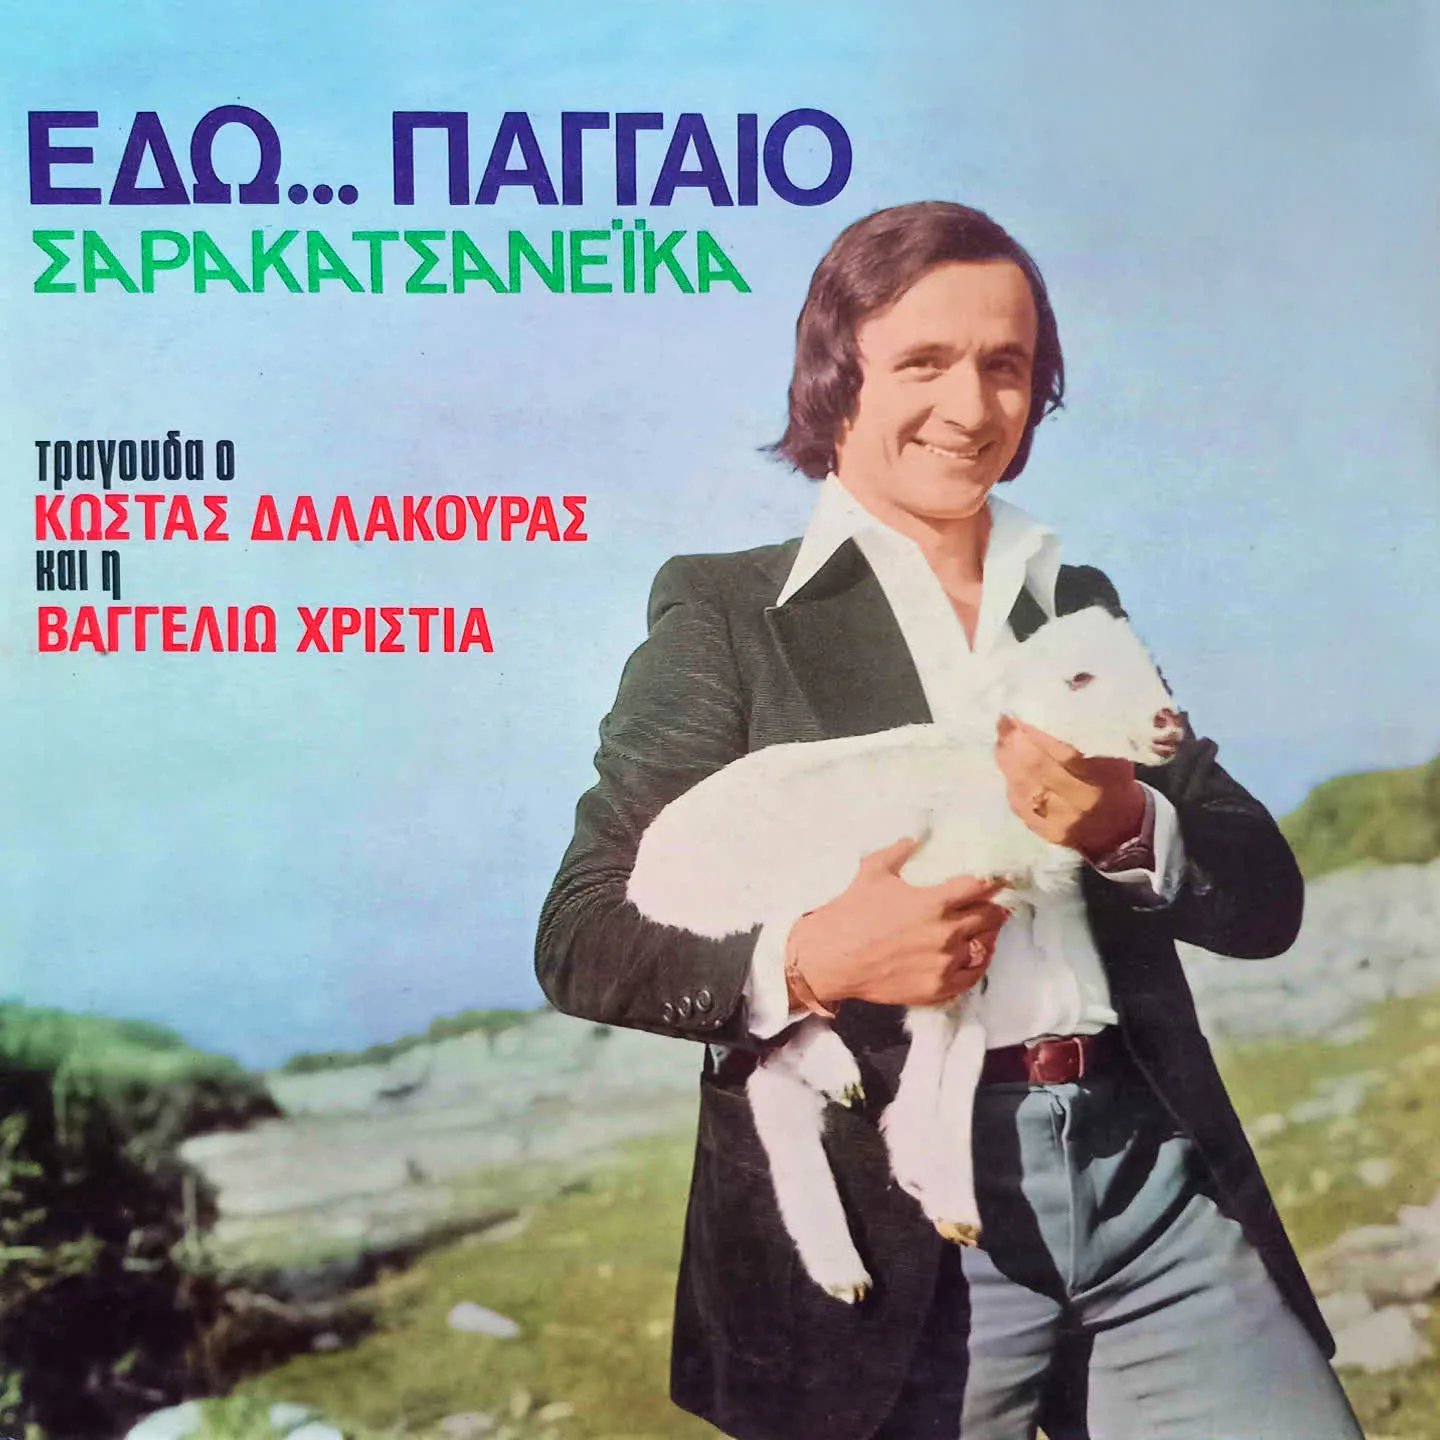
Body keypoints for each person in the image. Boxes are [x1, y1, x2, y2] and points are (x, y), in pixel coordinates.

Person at [535, 202, 1361, 1440]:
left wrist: (1125, 823)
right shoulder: (729, 615)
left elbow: (1263, 899)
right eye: (923, 362)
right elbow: (580, 933)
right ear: (837, 375)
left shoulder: (1074, 600)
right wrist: (808, 961)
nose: (971, 407)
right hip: (895, 1228)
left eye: (1006, 365)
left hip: (1153, 1187)